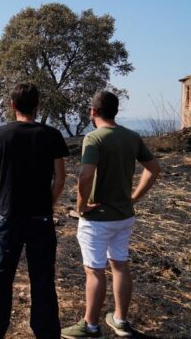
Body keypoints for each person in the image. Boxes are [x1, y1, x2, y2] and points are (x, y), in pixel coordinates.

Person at [61, 91, 161, 339]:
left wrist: (82, 205)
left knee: (94, 270)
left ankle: (91, 326)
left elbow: (85, 175)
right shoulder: (132, 137)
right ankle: (120, 320)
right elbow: (153, 168)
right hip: (124, 216)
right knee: (120, 265)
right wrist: (135, 197)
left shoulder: (94, 138)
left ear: (93, 112)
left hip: (98, 219)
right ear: (115, 112)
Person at [0, 83, 68, 339]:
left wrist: (1, 203)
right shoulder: (52, 135)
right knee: (42, 277)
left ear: (12, 105)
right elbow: (60, 179)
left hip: (8, 215)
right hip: (40, 217)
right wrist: (48, 204)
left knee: (0, 274)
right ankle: (46, 332)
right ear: (37, 105)